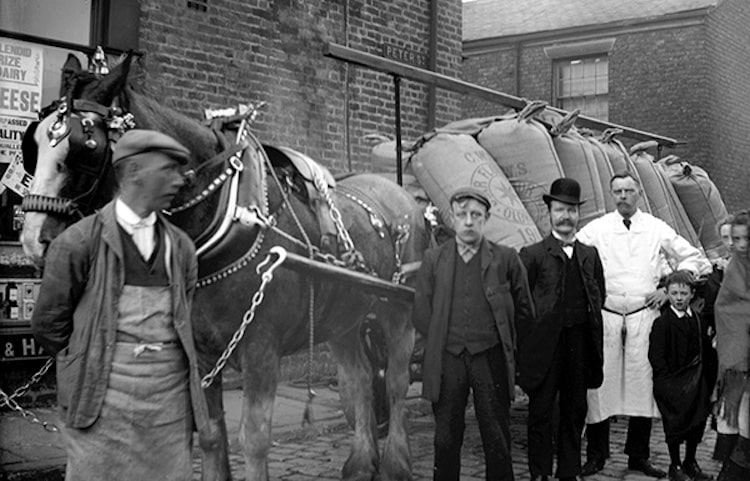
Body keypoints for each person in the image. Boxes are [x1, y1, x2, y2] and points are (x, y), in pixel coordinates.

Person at [31, 129, 210, 481]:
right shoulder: (79, 243)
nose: (181, 179)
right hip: (100, 404)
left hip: (167, 409)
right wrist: (91, 358)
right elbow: (48, 325)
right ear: (134, 173)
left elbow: (182, 316)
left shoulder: (183, 249)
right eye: (169, 170)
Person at [576, 171, 711, 478]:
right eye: (617, 191)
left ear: (637, 192)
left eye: (628, 190)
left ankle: (638, 456)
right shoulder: (597, 228)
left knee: (644, 385)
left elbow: (692, 257)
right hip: (608, 316)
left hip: (643, 315)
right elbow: (573, 255)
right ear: (612, 195)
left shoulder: (654, 227)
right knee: (600, 385)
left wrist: (668, 287)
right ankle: (597, 454)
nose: (623, 196)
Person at [413, 186, 535, 481]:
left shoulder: (506, 259)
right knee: (445, 437)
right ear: (452, 218)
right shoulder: (434, 259)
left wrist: (505, 344)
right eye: (462, 215)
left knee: (496, 436)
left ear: (486, 218)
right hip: (448, 360)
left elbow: (525, 312)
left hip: (489, 358)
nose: (469, 221)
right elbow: (420, 311)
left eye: (476, 215)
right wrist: (443, 338)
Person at [518, 178, 606, 481]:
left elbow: (599, 296)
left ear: (578, 214)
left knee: (574, 411)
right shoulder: (532, 255)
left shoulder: (590, 255)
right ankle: (539, 474)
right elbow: (521, 304)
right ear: (550, 214)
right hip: (545, 347)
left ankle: (569, 472)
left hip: (578, 344)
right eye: (559, 210)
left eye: (571, 210)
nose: (566, 216)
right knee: (541, 412)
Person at [648, 270, 713, 481]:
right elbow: (656, 357)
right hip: (672, 384)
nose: (678, 298)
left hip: (695, 382)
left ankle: (690, 461)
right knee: (675, 425)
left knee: (696, 421)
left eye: (683, 293)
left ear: (692, 294)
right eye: (674, 293)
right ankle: (674, 464)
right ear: (667, 293)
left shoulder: (697, 320)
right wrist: (667, 381)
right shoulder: (662, 323)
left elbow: (706, 350)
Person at [714, 210, 750, 481]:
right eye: (735, 238)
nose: (739, 245)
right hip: (741, 359)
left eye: (745, 238)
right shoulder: (735, 267)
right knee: (738, 417)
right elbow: (725, 308)